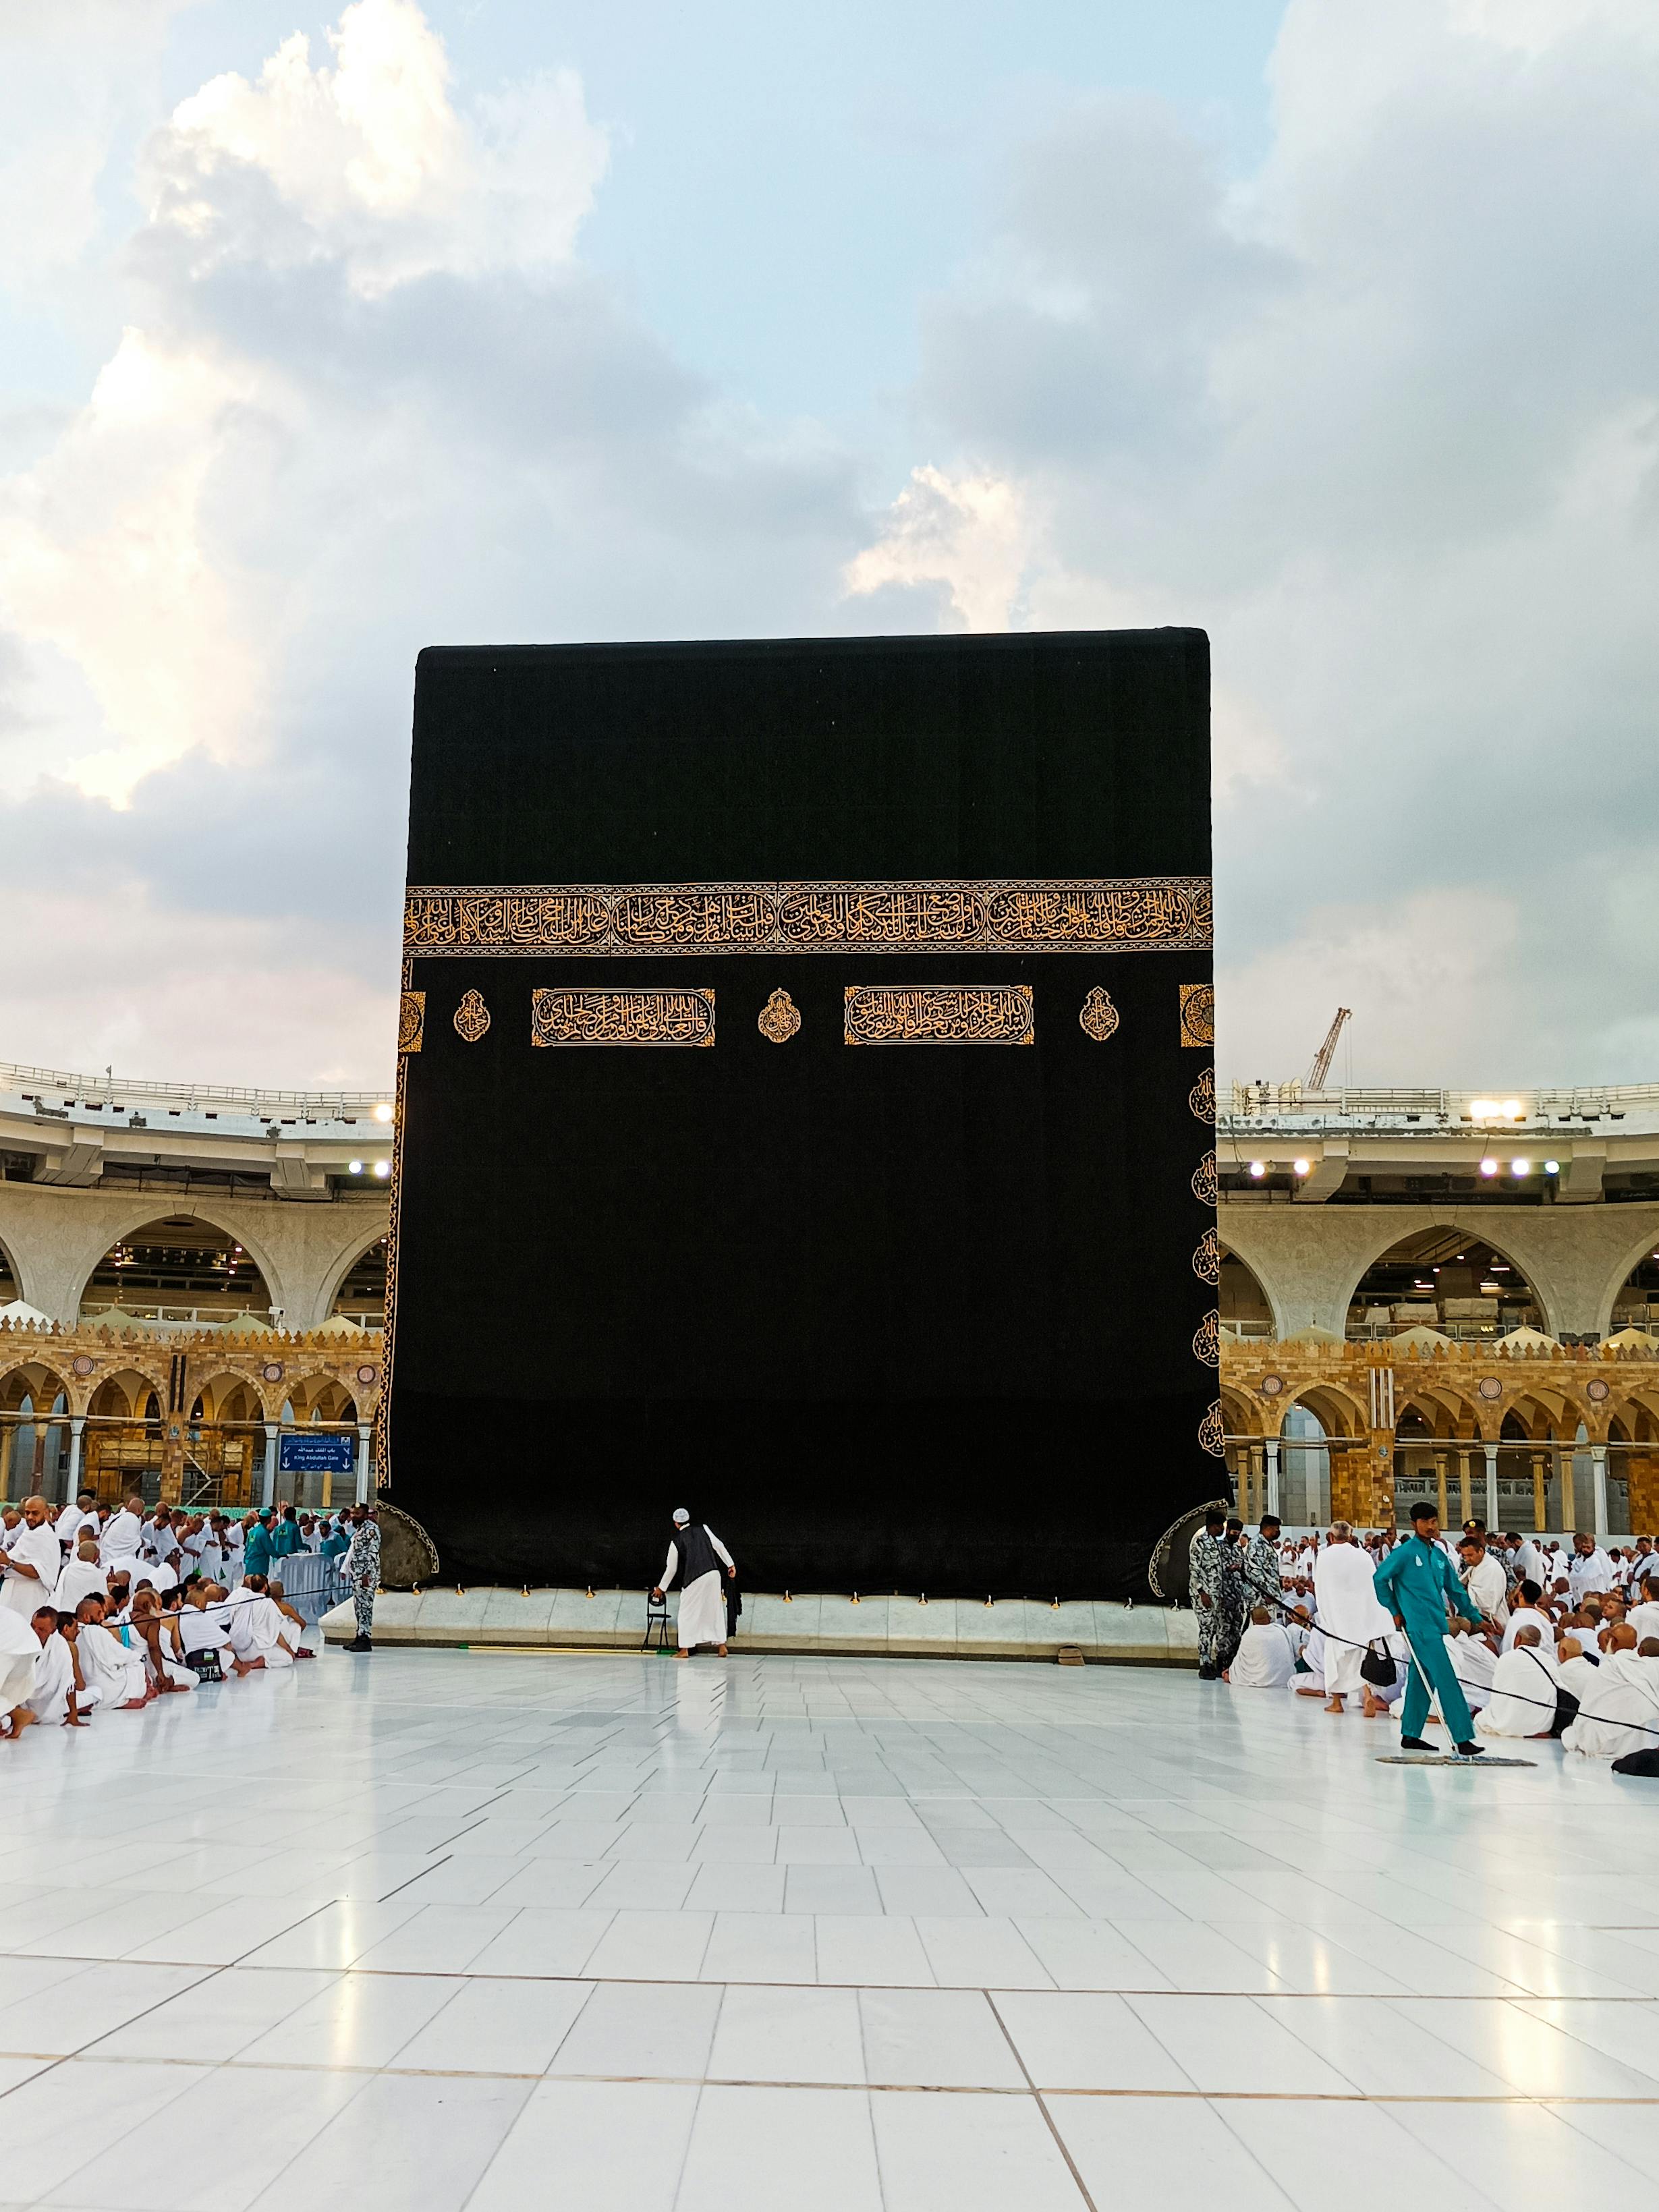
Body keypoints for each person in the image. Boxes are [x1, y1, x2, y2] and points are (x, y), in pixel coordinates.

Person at [1374, 1500, 1487, 1755]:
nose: (1430, 1526)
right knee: (1446, 1679)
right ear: (1414, 1524)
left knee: (1420, 1681)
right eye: (1425, 1522)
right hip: (1418, 1626)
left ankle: (1410, 1735)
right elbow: (1380, 1579)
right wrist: (1395, 1611)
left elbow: (1455, 1589)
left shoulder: (1438, 1555)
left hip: (1436, 1623)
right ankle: (1463, 1738)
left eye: (1434, 1521)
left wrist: (1475, 1617)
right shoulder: (1404, 1553)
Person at [1314, 1520, 1395, 1718]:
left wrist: (1325, 1614)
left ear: (1331, 1537)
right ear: (1350, 1536)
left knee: (1336, 1657)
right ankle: (1367, 1695)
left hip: (1337, 1615)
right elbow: (1372, 1585)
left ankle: (1336, 1702)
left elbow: (1320, 1586)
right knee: (1362, 1657)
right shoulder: (1363, 1555)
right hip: (1362, 1615)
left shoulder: (1324, 1556)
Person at [652, 1508, 735, 1660]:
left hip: (694, 1578)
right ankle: (722, 1647)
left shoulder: (676, 1541)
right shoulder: (704, 1529)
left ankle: (684, 1650)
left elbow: (671, 1569)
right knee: (715, 1611)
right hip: (713, 1574)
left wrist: (661, 1589)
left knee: (686, 1613)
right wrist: (730, 1564)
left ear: (676, 1523)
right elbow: (719, 1545)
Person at [1562, 1630, 1659, 1757]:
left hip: (1608, 1738)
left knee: (1574, 1733)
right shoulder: (1649, 1667)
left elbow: (1589, 1706)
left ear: (1613, 1642)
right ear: (1635, 1644)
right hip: (1646, 1738)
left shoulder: (1608, 1667)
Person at [1475, 1626, 1561, 1738]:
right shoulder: (1549, 1660)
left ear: (1518, 1639)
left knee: (1480, 1720)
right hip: (1541, 1726)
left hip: (1509, 1724)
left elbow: (1498, 1695)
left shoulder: (1507, 1658)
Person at [1, 1496, 60, 1619]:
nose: (30, 1517)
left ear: (45, 1513)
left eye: (35, 1513)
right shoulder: (29, 1533)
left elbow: (37, 1572)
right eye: (27, 1513)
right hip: (13, 1594)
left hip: (30, 1597)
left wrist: (10, 1563)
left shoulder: (46, 1537)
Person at [1189, 1509, 1231, 1680]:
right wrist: (1201, 1592)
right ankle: (1204, 1663)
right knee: (1206, 1628)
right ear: (1212, 1526)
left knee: (1212, 1629)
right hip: (1203, 1595)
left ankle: (1210, 1661)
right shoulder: (1200, 1543)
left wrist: (1219, 1595)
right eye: (1220, 1525)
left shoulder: (1215, 1544)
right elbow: (1194, 1569)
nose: (1222, 1528)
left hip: (1214, 1595)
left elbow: (1217, 1573)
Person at [1225, 1606, 1297, 1687]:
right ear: (1269, 1617)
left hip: (1258, 1679)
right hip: (1284, 1679)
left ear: (1253, 1620)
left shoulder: (1250, 1633)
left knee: (1227, 1676)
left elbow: (1241, 1660)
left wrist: (1232, 1671)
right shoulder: (1282, 1630)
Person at [342, 1504, 381, 1652]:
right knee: (358, 1606)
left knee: (365, 1606)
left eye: (357, 1513)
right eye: (352, 1513)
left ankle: (365, 1639)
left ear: (366, 1515)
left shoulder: (371, 1529)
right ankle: (360, 1634)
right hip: (358, 1575)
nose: (353, 1516)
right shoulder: (360, 1529)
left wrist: (366, 1575)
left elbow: (373, 1553)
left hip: (366, 1576)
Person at [1457, 1532, 1509, 1628]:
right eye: (1464, 1556)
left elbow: (1487, 1602)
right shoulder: (1477, 1565)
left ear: (1480, 1551)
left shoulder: (1491, 1568)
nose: (1467, 1559)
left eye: (1470, 1555)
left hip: (1492, 1622)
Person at [1568, 1532, 1614, 1605]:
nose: (1585, 1549)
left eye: (1588, 1547)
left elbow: (1585, 1577)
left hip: (1595, 1591)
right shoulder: (1581, 1558)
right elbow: (1572, 1577)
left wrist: (1607, 1587)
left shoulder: (1597, 1557)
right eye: (1583, 1547)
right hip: (1581, 1594)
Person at [242, 1510, 276, 1581]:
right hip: (259, 1565)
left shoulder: (253, 1531)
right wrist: (279, 1555)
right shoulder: (264, 1532)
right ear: (269, 1519)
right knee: (259, 1587)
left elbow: (248, 1546)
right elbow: (270, 1549)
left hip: (250, 1563)